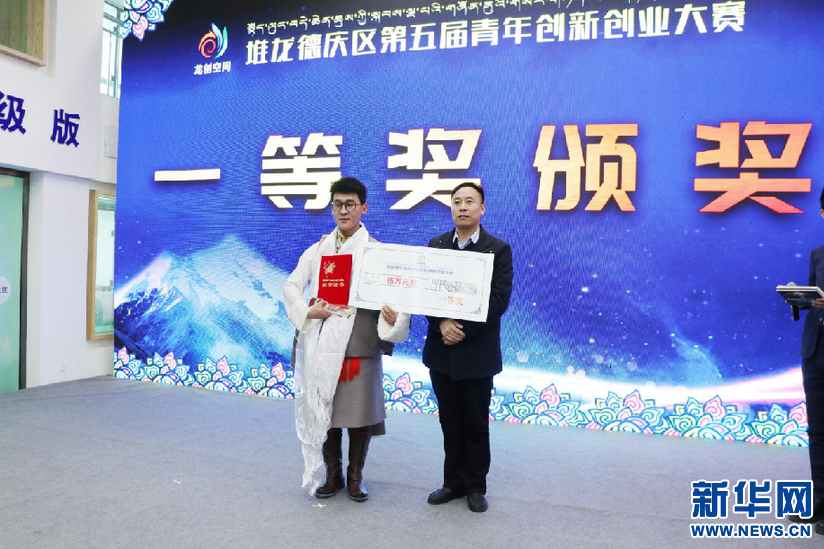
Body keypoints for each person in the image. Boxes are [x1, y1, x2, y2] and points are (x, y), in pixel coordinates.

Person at [283, 177, 410, 502]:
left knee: (358, 414)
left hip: (359, 345)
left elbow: (396, 299)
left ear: (363, 208)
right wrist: (306, 311)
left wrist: (393, 317)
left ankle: (355, 477)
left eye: (350, 204)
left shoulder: (377, 252)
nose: (343, 210)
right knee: (324, 412)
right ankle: (333, 475)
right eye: (337, 204)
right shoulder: (319, 249)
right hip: (321, 344)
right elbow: (291, 286)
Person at [422, 182, 513, 513]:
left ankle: (475, 486)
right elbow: (425, 292)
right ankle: (453, 482)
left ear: (481, 209)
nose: (462, 207)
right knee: (449, 421)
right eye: (457, 201)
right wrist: (441, 324)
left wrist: (461, 330)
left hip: (477, 353)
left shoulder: (497, 250)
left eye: (469, 201)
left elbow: (498, 299)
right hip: (442, 352)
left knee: (475, 423)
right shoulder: (437, 245)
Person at [790, 187, 824, 534]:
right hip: (815, 351)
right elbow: (812, 296)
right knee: (818, 429)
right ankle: (820, 502)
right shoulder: (818, 254)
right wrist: (798, 299)